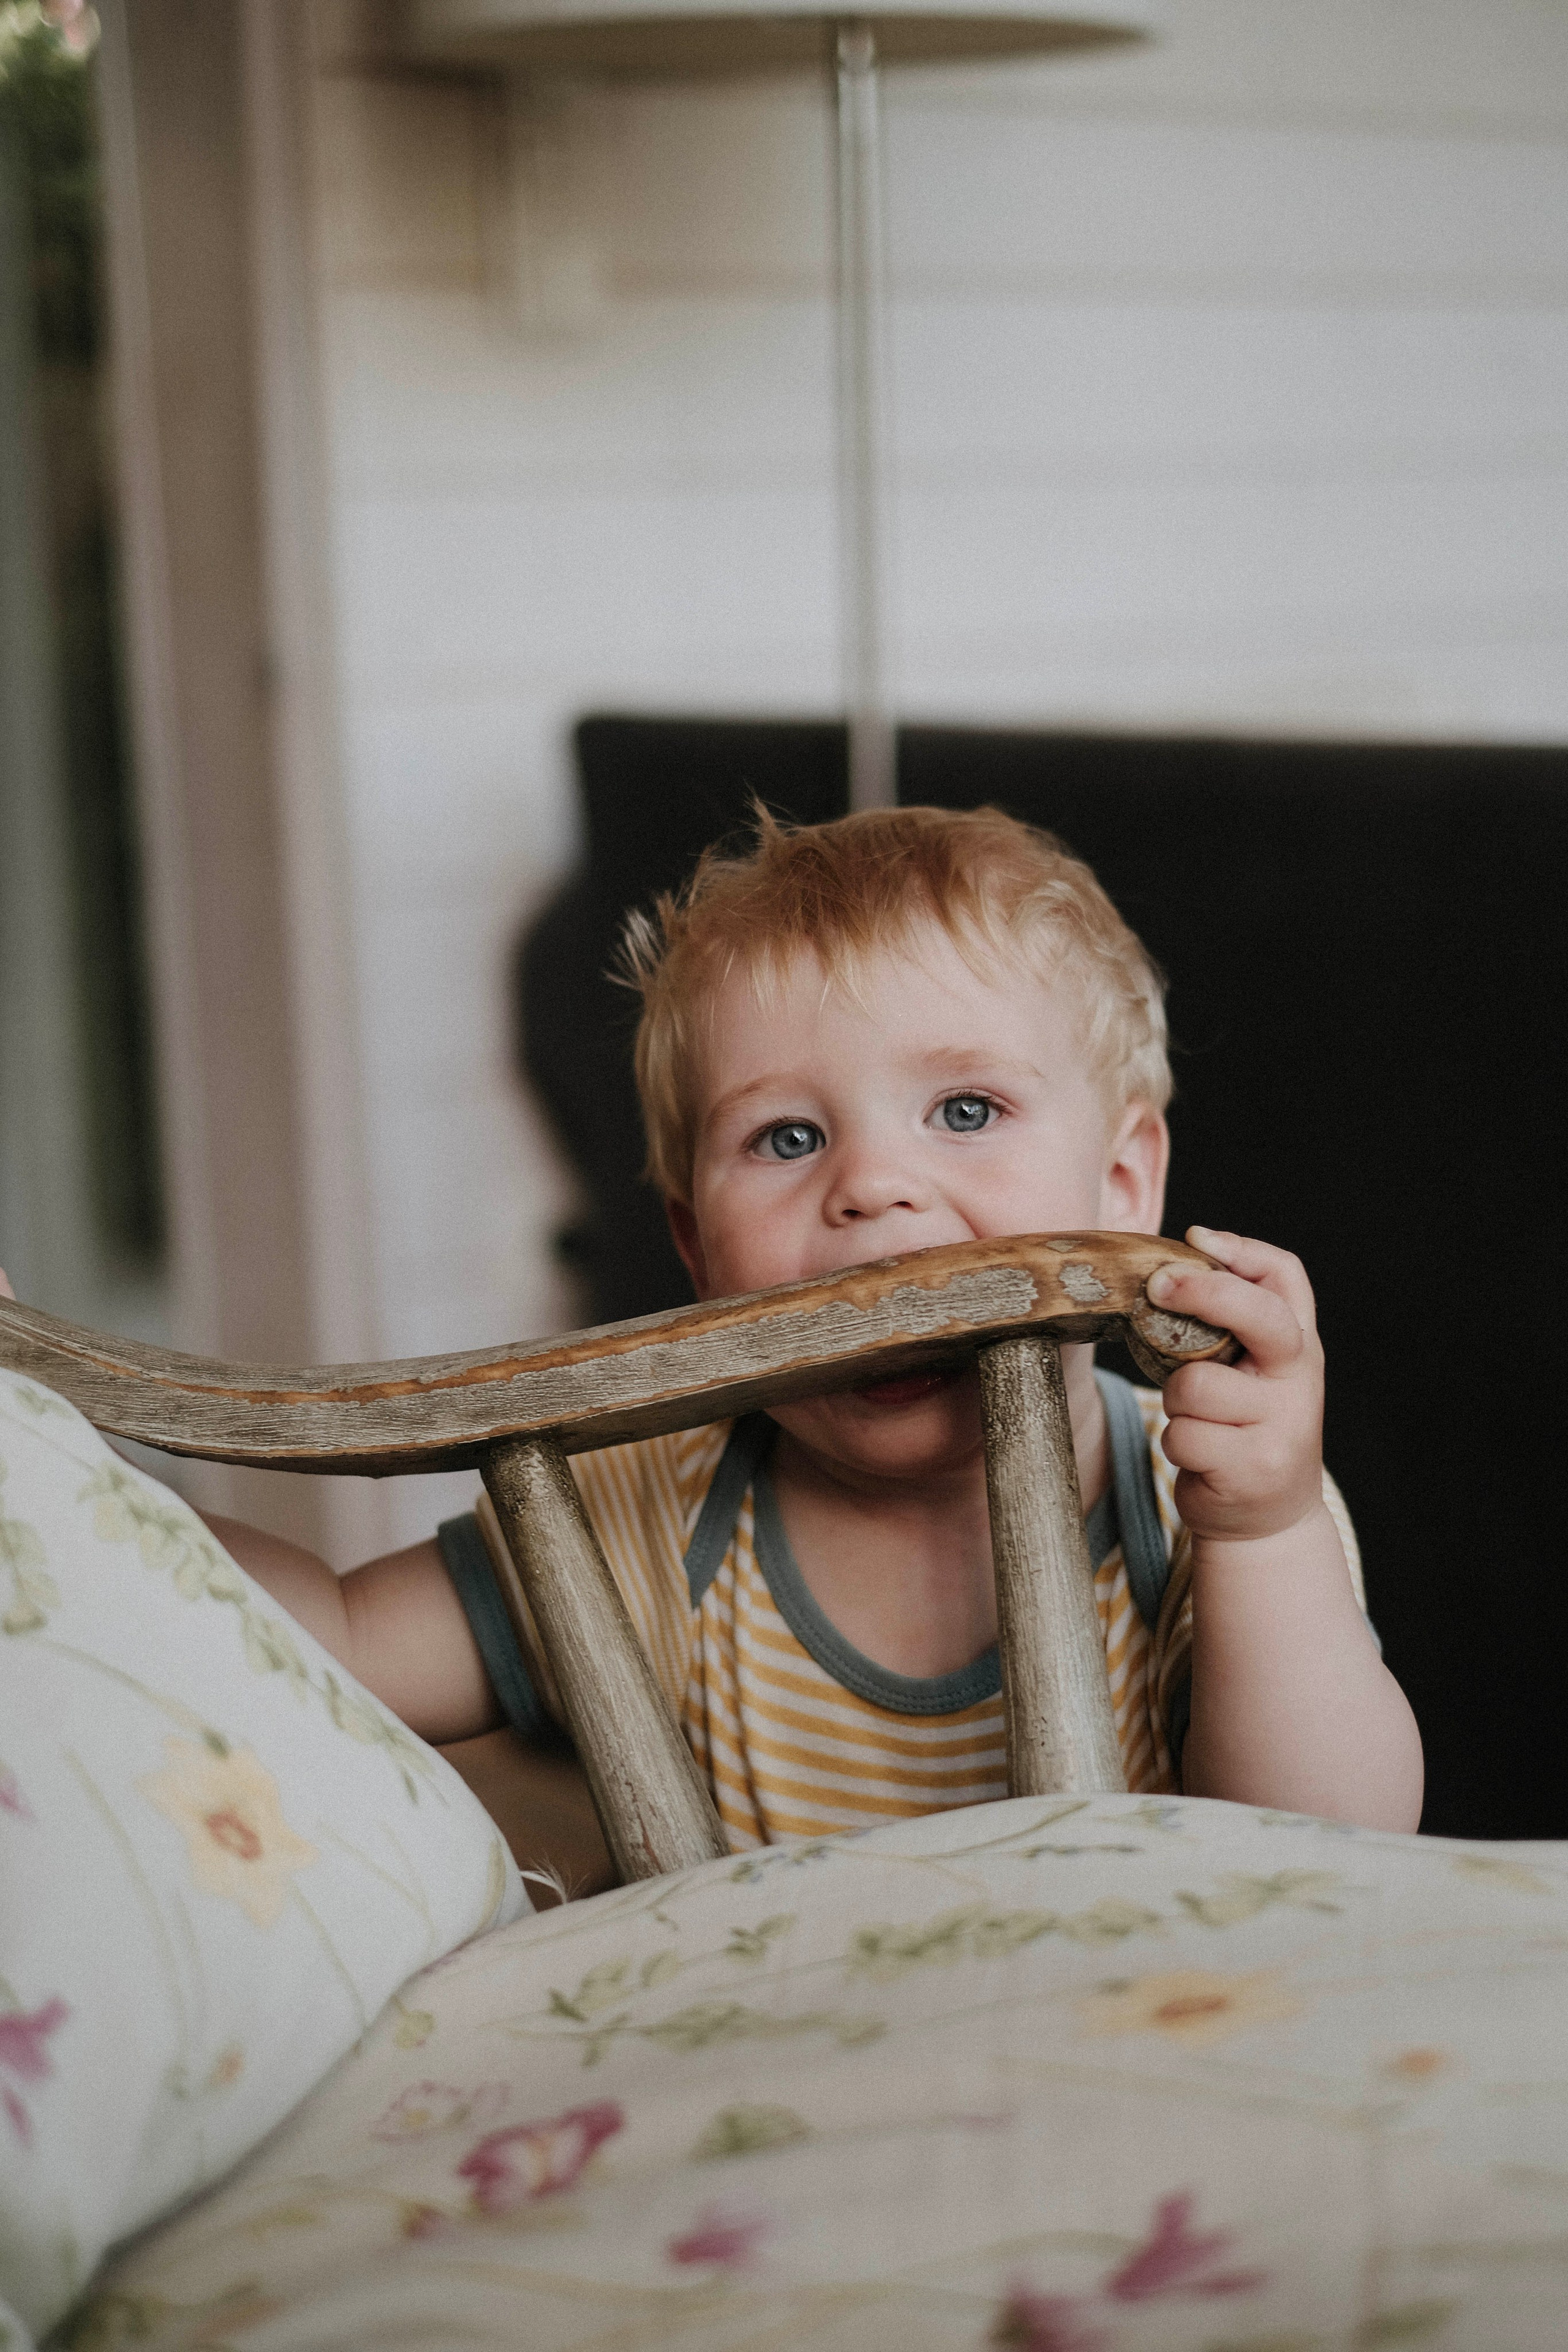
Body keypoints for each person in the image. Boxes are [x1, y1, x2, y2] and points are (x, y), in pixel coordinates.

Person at [15, 805, 1423, 1840]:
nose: (873, 1185)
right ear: (695, 1244)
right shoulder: (645, 1515)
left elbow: (1333, 1845)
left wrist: (1264, 1526)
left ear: (1123, 1180)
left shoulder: (1211, 1496)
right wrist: (52, 1467)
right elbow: (316, 1634)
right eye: (787, 1136)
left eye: (966, 1110)